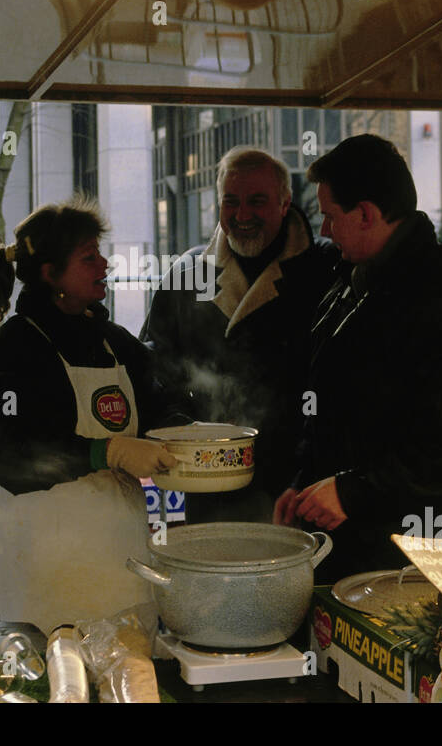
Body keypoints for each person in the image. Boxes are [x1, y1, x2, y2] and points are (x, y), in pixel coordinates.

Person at [274, 134, 442, 584]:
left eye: (330, 216)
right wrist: (305, 484)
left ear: (366, 213)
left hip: (431, 570)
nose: (324, 231)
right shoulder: (351, 283)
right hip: (358, 558)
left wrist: (351, 492)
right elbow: (333, 410)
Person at [0, 199, 181, 635]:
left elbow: (162, 404)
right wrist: (108, 451)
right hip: (46, 562)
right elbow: (9, 458)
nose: (104, 263)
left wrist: (193, 437)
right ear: (50, 273)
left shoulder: (110, 340)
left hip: (119, 554)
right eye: (88, 257)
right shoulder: (13, 352)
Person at [141, 147, 339, 523]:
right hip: (210, 481)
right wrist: (183, 428)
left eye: (257, 201)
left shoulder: (326, 271)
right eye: (230, 202)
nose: (242, 215)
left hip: (302, 487)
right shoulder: (187, 275)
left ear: (285, 204)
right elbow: (155, 369)